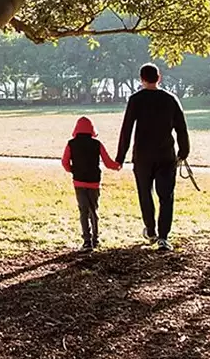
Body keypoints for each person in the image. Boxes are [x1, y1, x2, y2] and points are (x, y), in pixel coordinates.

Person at [115, 63, 190, 252]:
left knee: (145, 193)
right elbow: (181, 127)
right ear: (159, 77)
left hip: (142, 155)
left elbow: (127, 129)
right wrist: (184, 151)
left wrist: (120, 157)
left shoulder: (135, 99)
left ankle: (150, 230)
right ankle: (164, 237)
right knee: (166, 196)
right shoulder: (170, 99)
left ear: (141, 79)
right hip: (166, 154)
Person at [62, 116, 120, 251]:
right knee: (93, 210)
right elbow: (107, 162)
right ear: (92, 129)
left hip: (79, 182)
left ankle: (86, 241)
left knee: (83, 211)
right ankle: (96, 239)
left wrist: (73, 171)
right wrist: (117, 165)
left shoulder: (71, 144)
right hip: (94, 182)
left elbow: (65, 162)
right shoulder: (97, 144)